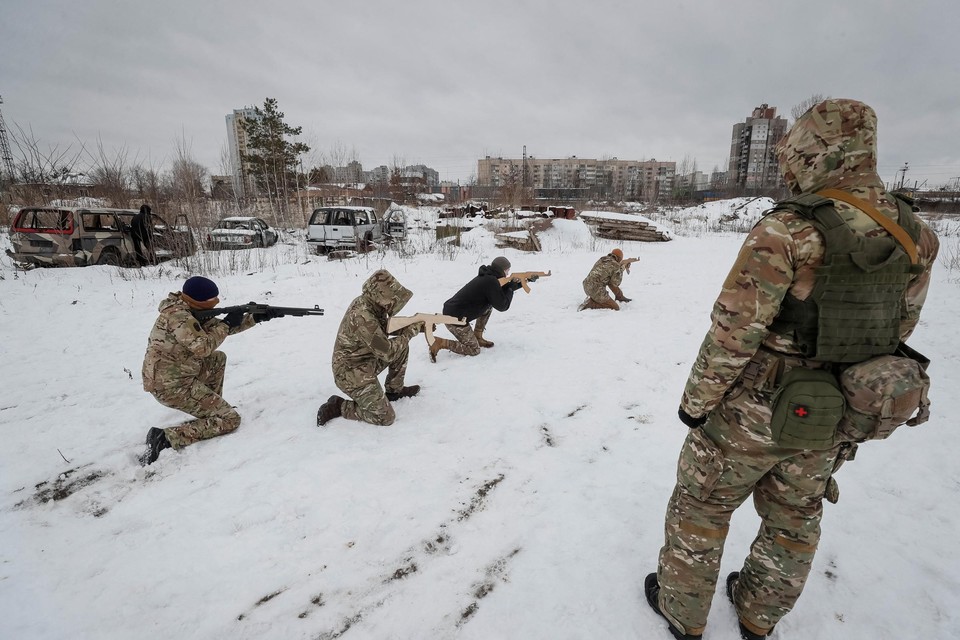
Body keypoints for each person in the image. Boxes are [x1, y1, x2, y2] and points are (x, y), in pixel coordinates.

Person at [645, 99, 939, 640]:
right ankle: (758, 619)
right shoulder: (916, 233)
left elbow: (734, 330)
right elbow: (900, 329)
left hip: (753, 411)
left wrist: (696, 404)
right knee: (795, 519)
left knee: (701, 506)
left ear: (816, 151)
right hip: (834, 413)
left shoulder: (790, 229)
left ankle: (683, 617)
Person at [140, 276, 259, 465]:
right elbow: (203, 346)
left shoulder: (189, 310)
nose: (213, 309)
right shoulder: (178, 317)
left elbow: (217, 330)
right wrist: (227, 323)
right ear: (199, 302)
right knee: (231, 420)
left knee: (217, 359)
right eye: (211, 304)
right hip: (170, 387)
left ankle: (213, 410)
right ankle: (165, 437)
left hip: (179, 374)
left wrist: (254, 318)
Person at [317, 269, 422, 427]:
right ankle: (339, 406)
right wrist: (410, 332)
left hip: (366, 359)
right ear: (382, 296)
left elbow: (381, 328)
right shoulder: (362, 316)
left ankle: (394, 391)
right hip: (349, 372)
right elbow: (387, 352)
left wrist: (411, 324)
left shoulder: (368, 302)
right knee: (385, 417)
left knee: (401, 347)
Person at [428, 256, 523, 362]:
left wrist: (520, 284)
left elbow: (498, 293)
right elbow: (502, 306)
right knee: (474, 350)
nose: (508, 274)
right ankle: (440, 343)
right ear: (501, 270)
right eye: (507, 271)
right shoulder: (490, 282)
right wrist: (511, 288)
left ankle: (478, 336)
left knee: (488, 306)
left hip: (453, 311)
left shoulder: (488, 277)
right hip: (455, 319)